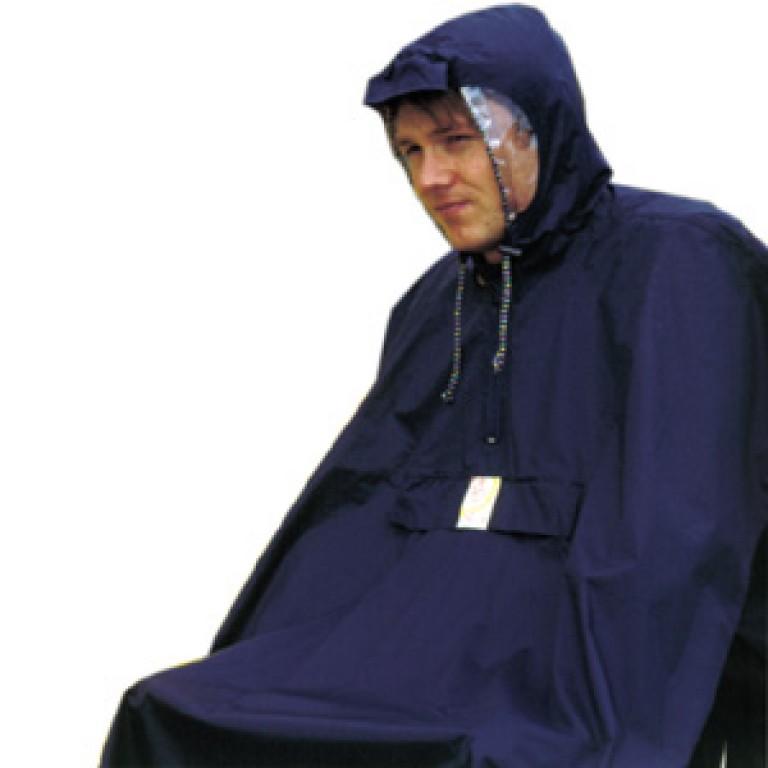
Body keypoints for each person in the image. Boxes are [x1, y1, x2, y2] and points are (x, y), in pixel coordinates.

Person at [100, 5, 766, 766]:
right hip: (432, 653)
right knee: (168, 711)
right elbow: (355, 506)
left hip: (584, 663)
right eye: (409, 150)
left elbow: (680, 528)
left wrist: (599, 719)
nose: (430, 178)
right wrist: (268, 660)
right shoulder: (437, 303)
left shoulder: (679, 259)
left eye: (457, 141)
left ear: (541, 129)